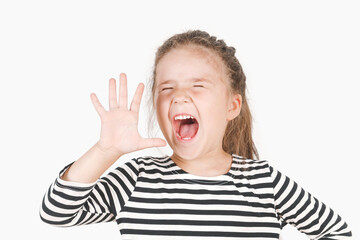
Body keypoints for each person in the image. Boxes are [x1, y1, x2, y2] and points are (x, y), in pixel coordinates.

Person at [39, 30, 352, 239]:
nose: (179, 96)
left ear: (232, 106)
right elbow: (56, 213)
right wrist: (105, 151)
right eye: (167, 88)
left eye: (197, 86)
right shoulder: (137, 177)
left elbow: (336, 232)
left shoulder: (264, 181)